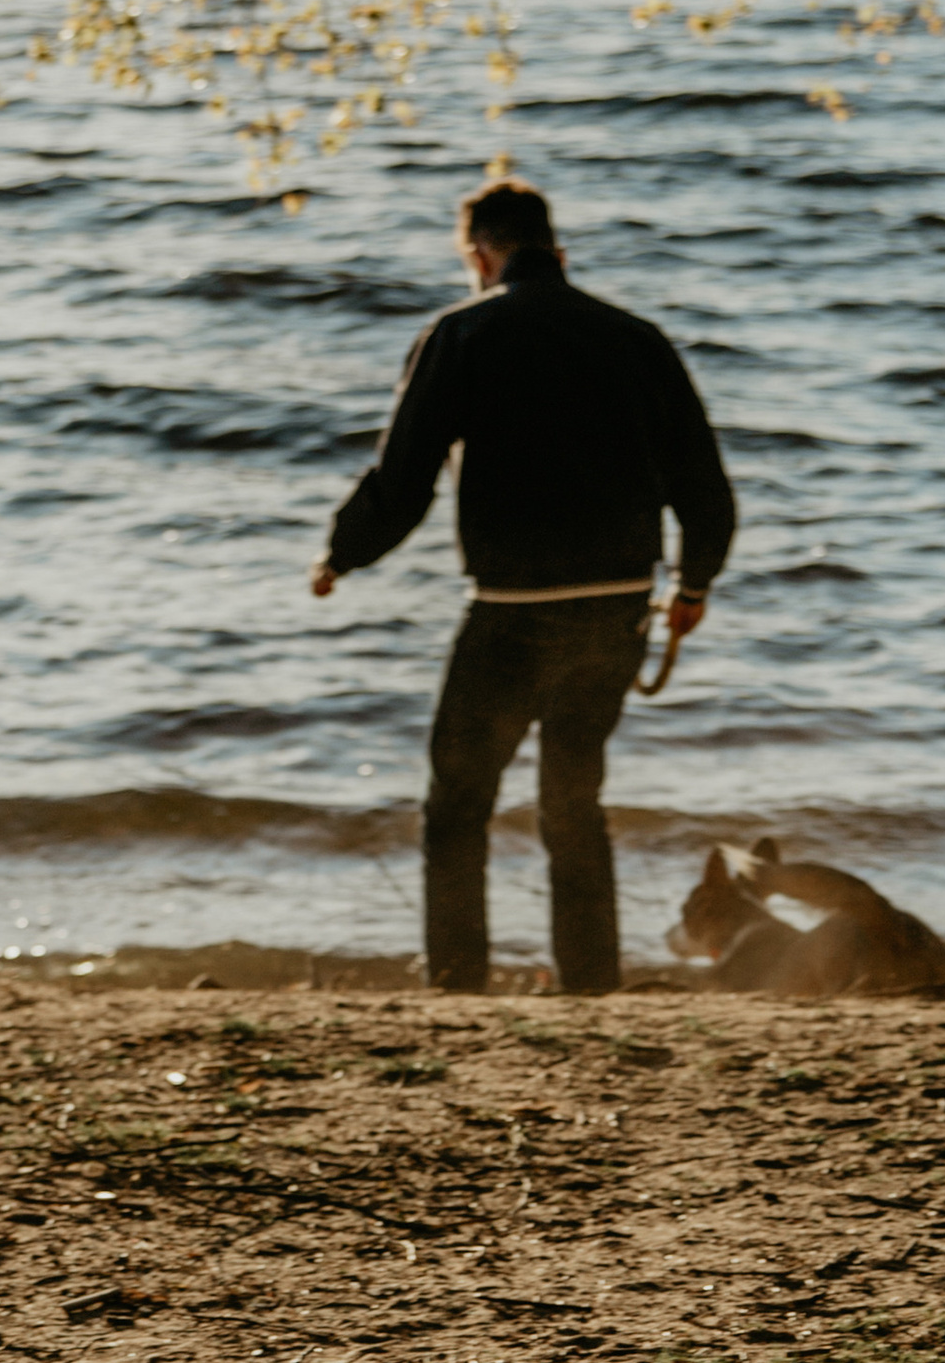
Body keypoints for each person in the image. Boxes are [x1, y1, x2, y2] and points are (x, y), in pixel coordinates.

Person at [311, 181, 734, 996]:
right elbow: (703, 482)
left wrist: (342, 553)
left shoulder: (461, 332)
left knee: (458, 802)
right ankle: (591, 983)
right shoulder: (636, 338)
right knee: (573, 800)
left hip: (511, 609)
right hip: (615, 603)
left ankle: (458, 982)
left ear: (479, 256)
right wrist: (694, 583)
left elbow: (404, 478)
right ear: (557, 252)